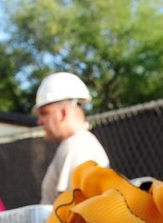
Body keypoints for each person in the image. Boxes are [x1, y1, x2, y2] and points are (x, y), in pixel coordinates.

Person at [34, 72, 109, 205]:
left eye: (44, 113)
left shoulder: (76, 147)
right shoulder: (78, 144)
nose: (39, 122)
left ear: (63, 113)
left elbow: (73, 212)